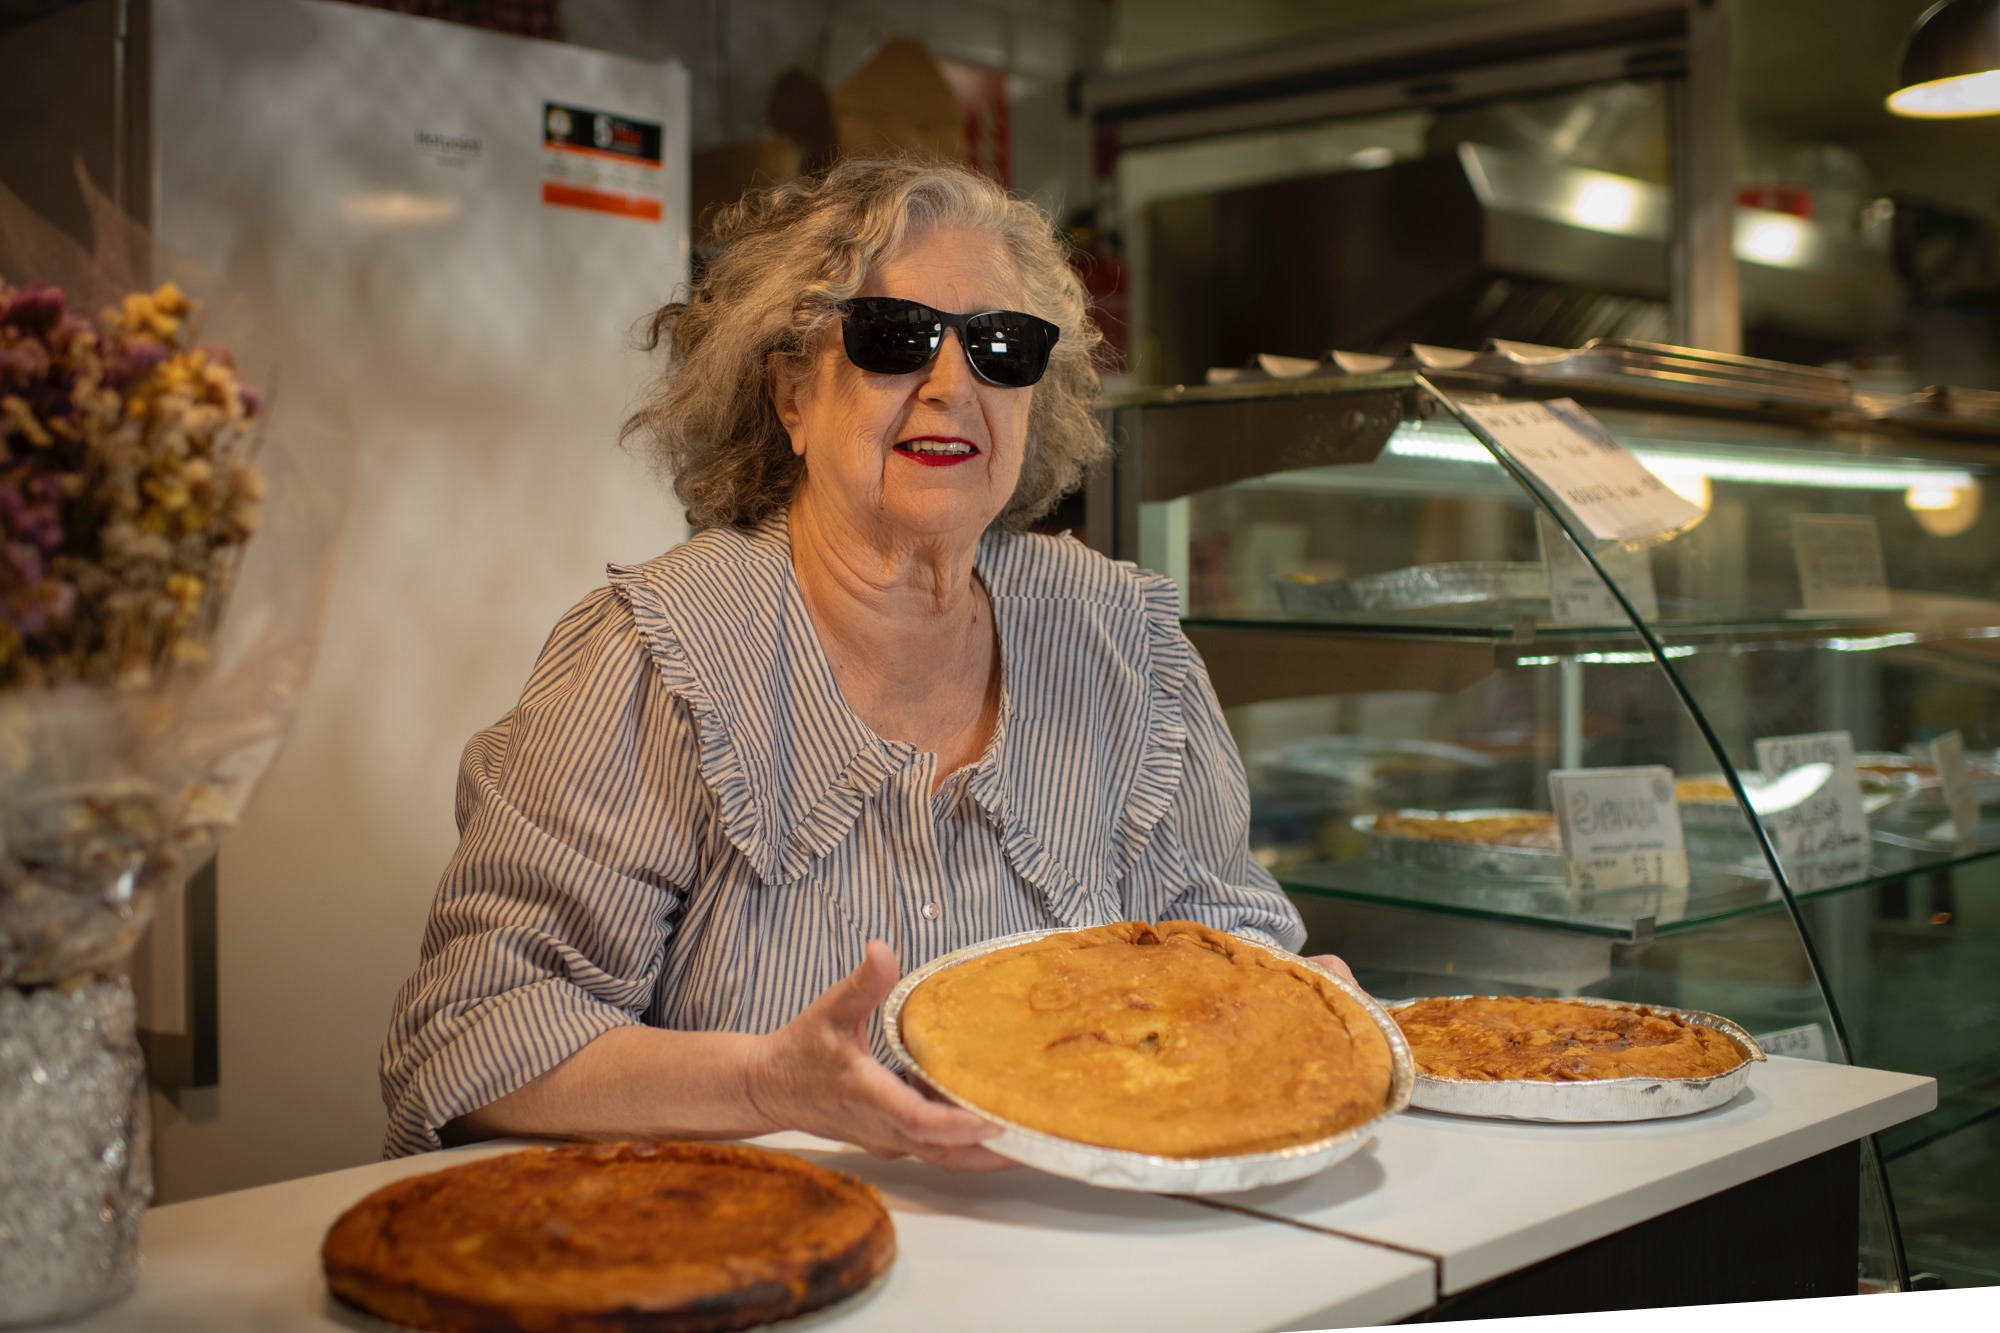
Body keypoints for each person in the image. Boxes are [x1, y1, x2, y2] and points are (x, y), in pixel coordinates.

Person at [380, 158, 1346, 1167]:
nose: (951, 386)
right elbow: (473, 1036)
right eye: (894, 337)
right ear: (792, 394)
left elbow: (1229, 956)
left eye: (1000, 347)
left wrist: (1287, 998)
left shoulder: (1127, 646)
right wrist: (764, 1085)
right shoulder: (657, 654)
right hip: (750, 1239)